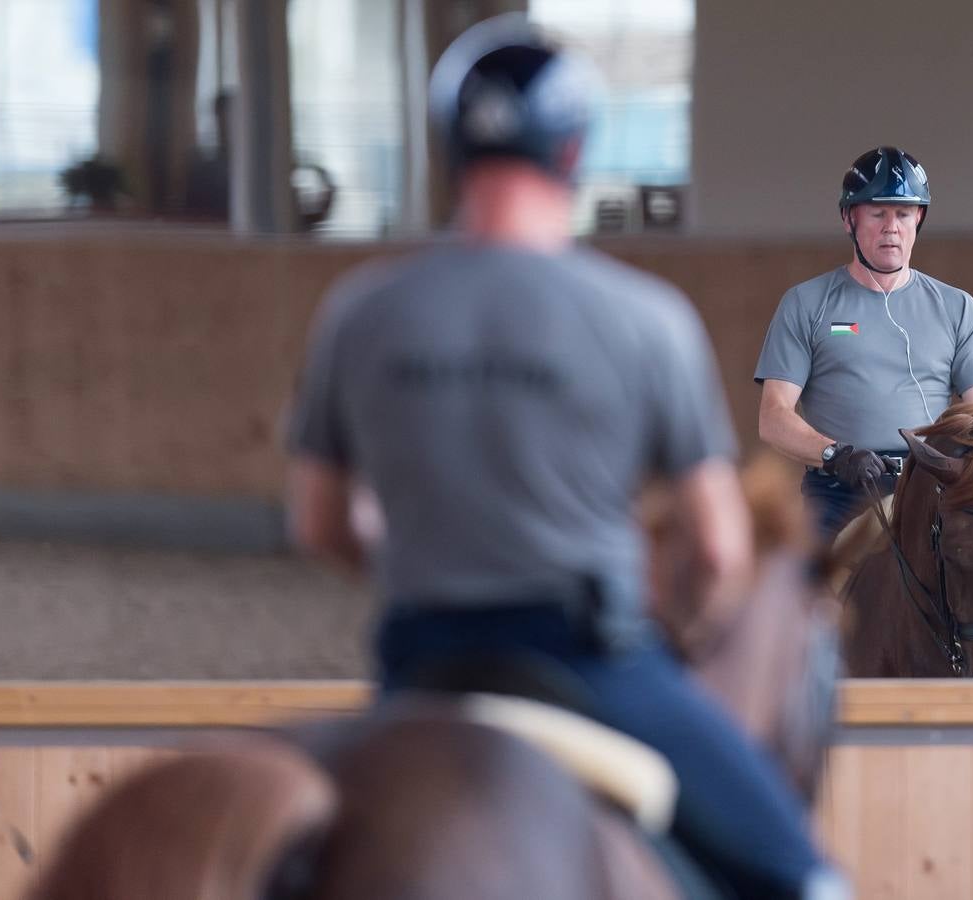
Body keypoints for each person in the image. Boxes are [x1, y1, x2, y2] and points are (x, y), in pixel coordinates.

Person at [284, 15, 845, 900]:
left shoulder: (359, 313)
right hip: (589, 662)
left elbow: (318, 522)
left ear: (449, 151)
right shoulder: (647, 319)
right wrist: (687, 625)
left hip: (416, 662)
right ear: (577, 151)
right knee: (807, 879)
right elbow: (720, 548)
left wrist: (414, 555)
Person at [753, 145, 973, 676]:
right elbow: (774, 416)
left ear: (919, 219)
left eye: (902, 213)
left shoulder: (957, 308)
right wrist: (834, 452)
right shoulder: (808, 305)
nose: (891, 228)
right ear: (851, 220)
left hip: (938, 485)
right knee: (786, 612)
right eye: (877, 213)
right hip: (843, 487)